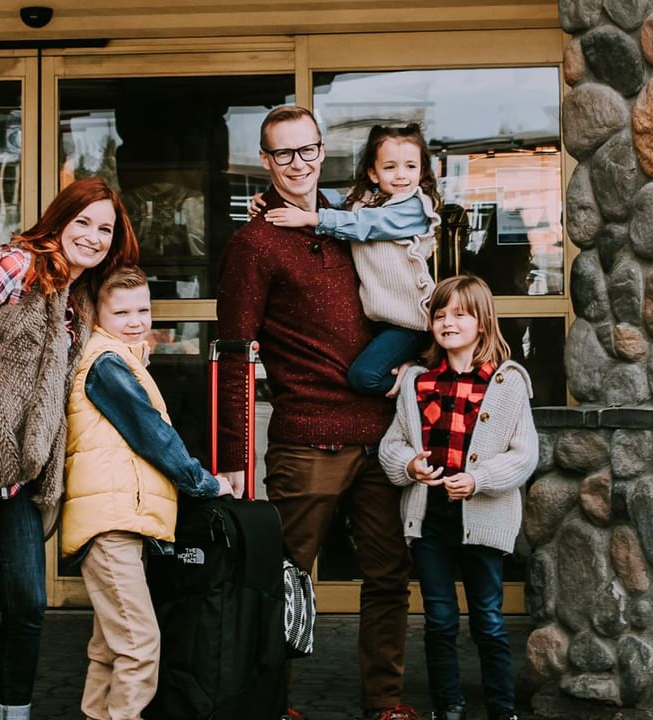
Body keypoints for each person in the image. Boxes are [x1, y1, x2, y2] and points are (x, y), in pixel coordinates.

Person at [216, 105, 432, 720]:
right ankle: (272, 705)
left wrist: (411, 374)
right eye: (283, 153)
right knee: (285, 582)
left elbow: (412, 304)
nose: (298, 163)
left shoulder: (357, 219)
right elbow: (234, 351)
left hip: (383, 438)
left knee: (390, 578)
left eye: (307, 150)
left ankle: (384, 702)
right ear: (265, 161)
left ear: (321, 151)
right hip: (308, 439)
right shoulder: (255, 244)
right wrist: (234, 456)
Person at [0, 177, 139, 720]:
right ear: (58, 220)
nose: (93, 235)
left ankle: (14, 714)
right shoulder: (13, 266)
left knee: (28, 603)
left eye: (105, 228)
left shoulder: (79, 303)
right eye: (83, 221)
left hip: (18, 465)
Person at [60, 265, 234, 720]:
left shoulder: (124, 357)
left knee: (110, 645)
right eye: (122, 311)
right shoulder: (107, 363)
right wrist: (206, 482)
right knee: (139, 643)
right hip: (112, 521)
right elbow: (152, 435)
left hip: (120, 519)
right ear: (97, 314)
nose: (136, 320)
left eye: (143, 309)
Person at [377, 275, 537, 720]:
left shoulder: (507, 384)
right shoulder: (418, 383)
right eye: (440, 314)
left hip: (483, 519)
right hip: (429, 520)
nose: (448, 322)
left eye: (460, 314)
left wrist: (479, 478)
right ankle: (448, 706)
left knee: (488, 619)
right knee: (440, 620)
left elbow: (525, 456)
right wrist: (410, 465)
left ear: (482, 323)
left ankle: (502, 708)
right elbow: (393, 445)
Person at [253, 123, 443, 397]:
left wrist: (311, 218)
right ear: (372, 173)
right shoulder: (364, 201)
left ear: (422, 171)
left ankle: (426, 384)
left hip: (408, 323)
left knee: (364, 377)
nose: (401, 175)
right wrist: (268, 200)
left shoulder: (415, 207)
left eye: (411, 167)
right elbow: (326, 198)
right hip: (377, 319)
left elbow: (368, 224)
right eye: (390, 167)